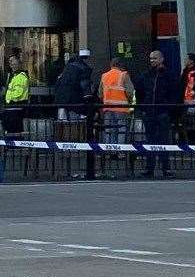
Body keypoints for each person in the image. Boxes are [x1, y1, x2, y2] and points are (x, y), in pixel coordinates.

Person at [53, 49, 96, 179]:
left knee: (64, 134)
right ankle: (78, 167)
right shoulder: (83, 69)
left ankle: (64, 167)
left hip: (62, 104)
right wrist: (88, 103)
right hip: (75, 105)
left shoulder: (66, 70)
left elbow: (59, 86)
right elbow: (85, 88)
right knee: (76, 135)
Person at [137, 50, 180, 179]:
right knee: (150, 141)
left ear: (162, 59)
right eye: (150, 58)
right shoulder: (146, 75)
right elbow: (140, 92)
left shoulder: (169, 75)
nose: (152, 61)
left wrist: (168, 109)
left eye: (155, 58)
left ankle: (165, 168)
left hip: (162, 113)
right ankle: (149, 168)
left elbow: (175, 94)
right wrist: (143, 107)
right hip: (149, 112)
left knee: (163, 140)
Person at [98, 56, 135, 174]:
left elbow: (100, 93)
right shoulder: (124, 75)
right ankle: (120, 151)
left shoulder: (104, 76)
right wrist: (130, 103)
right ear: (120, 65)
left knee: (109, 129)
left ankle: (109, 151)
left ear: (111, 64)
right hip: (121, 107)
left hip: (107, 107)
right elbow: (130, 91)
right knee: (121, 129)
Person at [1, 54, 30, 176]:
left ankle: (15, 145)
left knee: (14, 128)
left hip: (16, 107)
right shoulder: (13, 76)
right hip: (10, 107)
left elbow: (17, 94)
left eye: (13, 61)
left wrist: (8, 100)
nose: (11, 63)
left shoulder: (21, 76)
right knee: (9, 128)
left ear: (19, 62)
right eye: (10, 61)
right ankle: (12, 145)